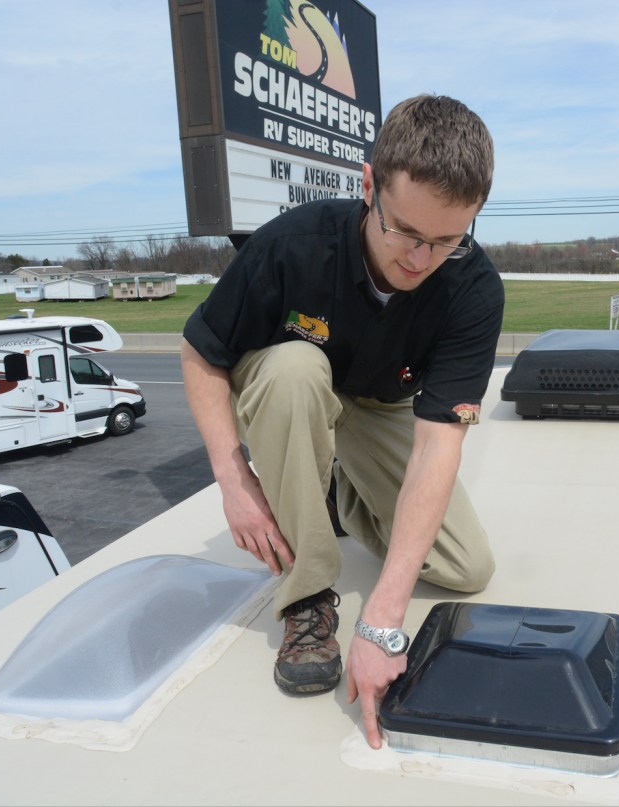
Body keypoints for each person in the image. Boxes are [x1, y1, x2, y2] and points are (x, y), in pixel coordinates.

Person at [180, 94, 503, 749]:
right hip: (297, 388)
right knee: (297, 371)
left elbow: (438, 446)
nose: (421, 258)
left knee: (466, 567)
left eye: (447, 240)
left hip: (379, 405)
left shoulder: (473, 289)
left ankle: (340, 493)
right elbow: (200, 352)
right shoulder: (290, 248)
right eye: (406, 232)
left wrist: (383, 618)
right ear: (368, 186)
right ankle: (307, 591)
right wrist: (233, 477)